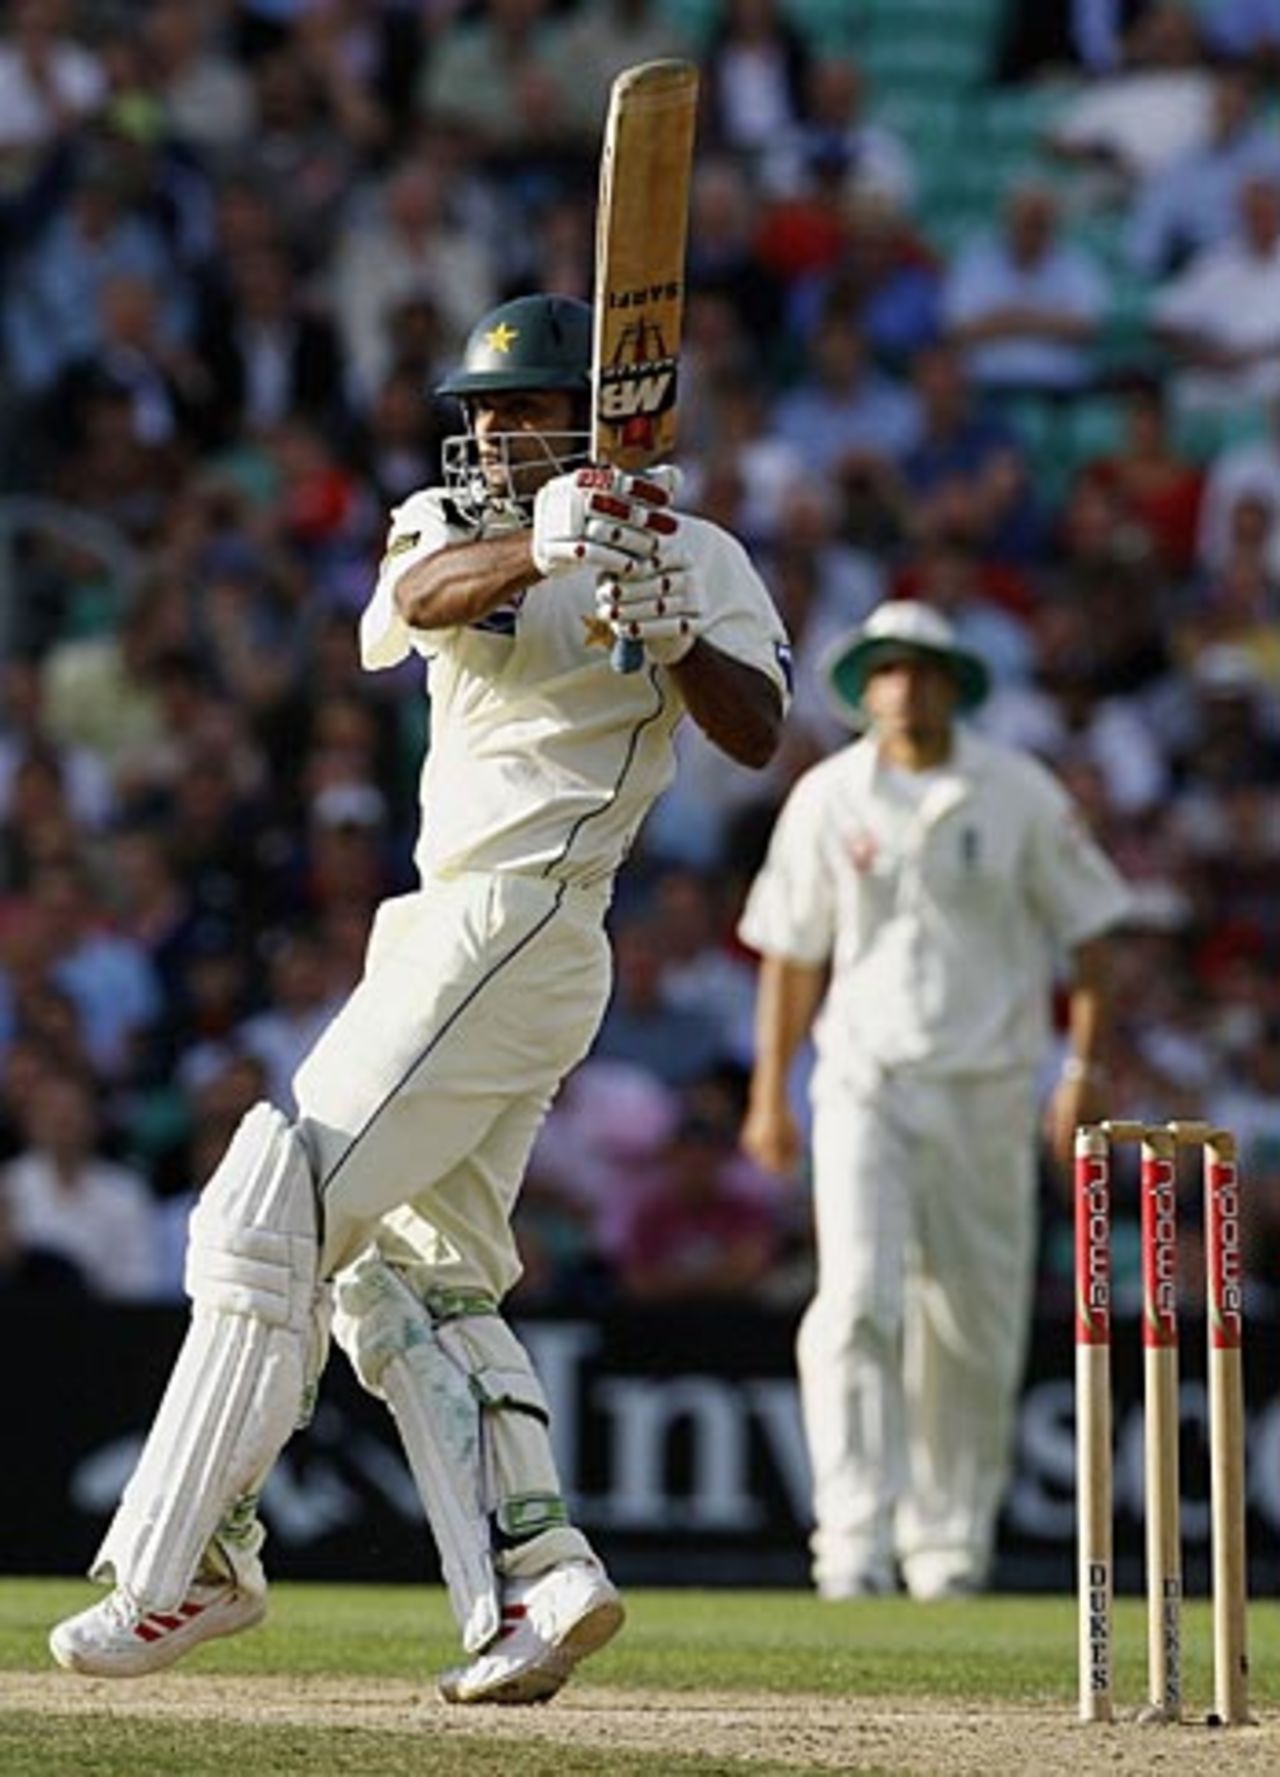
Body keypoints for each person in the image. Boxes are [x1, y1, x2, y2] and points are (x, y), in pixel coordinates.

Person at [49, 293, 790, 1700]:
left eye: (528, 413)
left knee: (268, 1211)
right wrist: (557, 538)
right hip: (448, 930)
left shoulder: (701, 555)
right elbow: (414, 611)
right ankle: (538, 1579)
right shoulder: (449, 522)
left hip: (523, 920)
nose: (500, 434)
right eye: (487, 414)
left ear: (602, 414)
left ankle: (184, 1568)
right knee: (412, 1278)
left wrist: (673, 624)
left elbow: (754, 733)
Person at [738, 599, 1130, 1601]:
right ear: (862, 686)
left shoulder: (1018, 793)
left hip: (990, 1088)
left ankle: (948, 1550)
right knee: (856, 1300)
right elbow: (790, 955)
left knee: (971, 1318)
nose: (901, 686)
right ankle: (851, 1544)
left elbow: (1091, 939)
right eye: (883, 668)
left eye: (918, 668)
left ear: (952, 682)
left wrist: (1079, 1072)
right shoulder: (827, 796)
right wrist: (768, 1098)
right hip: (864, 1079)